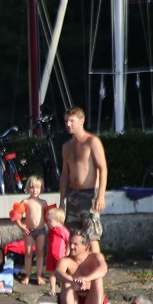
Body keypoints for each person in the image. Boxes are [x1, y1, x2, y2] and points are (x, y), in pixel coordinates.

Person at [59, 107, 107, 253]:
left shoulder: (92, 142)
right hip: (73, 194)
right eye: (66, 121)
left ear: (81, 121)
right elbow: (64, 174)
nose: (68, 124)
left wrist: (101, 195)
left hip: (90, 193)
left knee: (91, 236)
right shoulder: (66, 146)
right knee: (73, 236)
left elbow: (103, 168)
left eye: (71, 121)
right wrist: (62, 200)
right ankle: (79, 271)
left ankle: (98, 272)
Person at [54, 231, 108, 304]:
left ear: (85, 245)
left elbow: (103, 269)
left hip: (90, 303)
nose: (71, 246)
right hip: (72, 303)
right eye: (70, 243)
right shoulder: (65, 260)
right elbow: (58, 272)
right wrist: (72, 280)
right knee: (66, 282)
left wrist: (86, 279)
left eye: (75, 244)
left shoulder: (95, 257)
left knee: (98, 279)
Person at [15, 176, 49, 286]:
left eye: (37, 188)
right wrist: (20, 226)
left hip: (41, 231)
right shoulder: (25, 201)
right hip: (29, 231)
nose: (35, 190)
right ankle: (27, 275)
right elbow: (15, 215)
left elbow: (48, 218)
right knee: (28, 254)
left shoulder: (43, 203)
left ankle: (39, 275)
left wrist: (53, 230)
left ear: (41, 189)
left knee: (40, 254)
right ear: (28, 189)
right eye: (32, 187)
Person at [44, 207, 70, 298]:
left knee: (61, 273)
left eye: (50, 221)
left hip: (60, 256)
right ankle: (52, 289)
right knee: (51, 273)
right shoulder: (51, 230)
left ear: (58, 220)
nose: (47, 223)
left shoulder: (63, 231)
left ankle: (64, 289)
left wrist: (67, 253)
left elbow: (68, 242)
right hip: (50, 255)